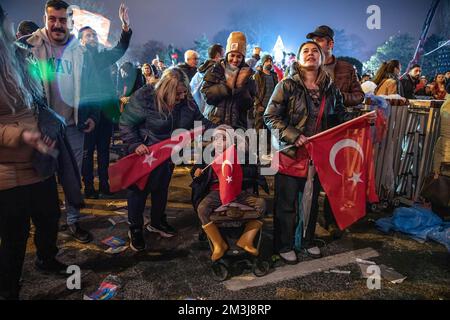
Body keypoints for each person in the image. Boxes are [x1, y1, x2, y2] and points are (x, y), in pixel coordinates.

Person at [264, 41, 355, 264]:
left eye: (315, 51)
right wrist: (294, 135)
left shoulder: (330, 87)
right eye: (306, 51)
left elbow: (339, 116)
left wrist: (361, 120)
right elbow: (270, 117)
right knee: (286, 203)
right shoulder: (286, 85)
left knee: (310, 200)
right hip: (290, 153)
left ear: (322, 58)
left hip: (317, 156)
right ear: (298, 58)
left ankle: (306, 240)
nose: (311, 54)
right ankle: (284, 244)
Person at [0, 5, 66, 300]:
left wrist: (48, 122)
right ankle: (9, 288)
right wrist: (21, 135)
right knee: (14, 236)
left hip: (38, 160)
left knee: (49, 216)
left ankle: (46, 259)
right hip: (8, 169)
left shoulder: (18, 57)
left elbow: (37, 98)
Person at [25, 0, 100, 243]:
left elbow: (90, 86)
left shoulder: (80, 50)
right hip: (43, 127)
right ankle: (45, 228)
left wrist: (90, 115)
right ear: (45, 19)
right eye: (52, 19)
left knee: (73, 177)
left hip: (72, 126)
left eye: (63, 20)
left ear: (70, 22)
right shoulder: (29, 48)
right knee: (42, 178)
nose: (57, 25)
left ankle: (73, 222)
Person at [119, 67, 215, 251]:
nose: (181, 97)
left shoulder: (186, 100)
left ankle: (157, 221)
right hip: (145, 153)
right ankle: (135, 228)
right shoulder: (146, 96)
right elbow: (126, 122)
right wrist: (135, 143)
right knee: (138, 192)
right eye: (177, 93)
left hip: (168, 154)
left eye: (184, 92)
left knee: (161, 188)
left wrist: (219, 127)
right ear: (165, 89)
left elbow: (200, 120)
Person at [78, 5, 132, 199]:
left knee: (103, 151)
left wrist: (125, 27)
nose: (92, 38)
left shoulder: (101, 57)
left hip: (106, 112)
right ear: (81, 41)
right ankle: (89, 187)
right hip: (87, 112)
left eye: (93, 35)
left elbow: (119, 49)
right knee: (87, 151)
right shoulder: (77, 59)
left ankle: (104, 184)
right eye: (87, 36)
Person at [191, 125, 266, 261]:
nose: (219, 142)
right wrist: (196, 172)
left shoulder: (241, 154)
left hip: (239, 191)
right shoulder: (208, 154)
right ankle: (218, 243)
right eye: (216, 139)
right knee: (202, 209)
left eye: (224, 138)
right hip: (216, 193)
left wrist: (236, 167)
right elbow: (196, 170)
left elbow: (254, 171)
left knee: (261, 204)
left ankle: (246, 239)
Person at [201, 31, 256, 129]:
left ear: (243, 58)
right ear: (227, 55)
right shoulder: (215, 69)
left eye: (239, 56)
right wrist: (226, 86)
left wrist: (240, 88)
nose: (235, 60)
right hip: (214, 125)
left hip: (237, 127)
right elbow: (206, 96)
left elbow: (249, 104)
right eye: (232, 55)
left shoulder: (248, 74)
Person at [307, 25, 364, 108]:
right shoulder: (307, 67)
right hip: (312, 118)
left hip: (338, 118)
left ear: (330, 44)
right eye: (313, 41)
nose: (314, 44)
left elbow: (359, 96)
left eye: (319, 41)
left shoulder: (347, 68)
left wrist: (337, 97)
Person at [190, 44, 224, 115]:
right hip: (210, 114)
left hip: (196, 113)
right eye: (223, 55)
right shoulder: (215, 71)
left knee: (198, 126)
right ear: (218, 55)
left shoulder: (199, 71)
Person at [253, 54, 278, 131]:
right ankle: (258, 143)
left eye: (271, 61)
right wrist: (257, 105)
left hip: (271, 107)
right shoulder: (258, 75)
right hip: (261, 107)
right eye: (267, 61)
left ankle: (267, 143)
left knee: (269, 129)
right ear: (263, 62)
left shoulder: (274, 76)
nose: (269, 63)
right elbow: (254, 91)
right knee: (259, 129)